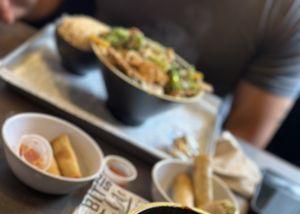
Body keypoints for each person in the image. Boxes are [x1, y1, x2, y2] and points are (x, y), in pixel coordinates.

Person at [1, 0, 300, 149]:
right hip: (59, 96)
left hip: (164, 151)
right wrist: (24, 5)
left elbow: (243, 141)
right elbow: (43, 6)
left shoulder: (288, 12)